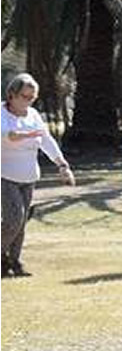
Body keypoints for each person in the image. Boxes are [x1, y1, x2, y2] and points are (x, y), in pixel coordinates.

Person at [1, 74, 76, 277]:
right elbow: (8, 135)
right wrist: (30, 134)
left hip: (29, 176)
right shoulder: (2, 113)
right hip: (5, 175)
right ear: (11, 95)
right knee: (14, 219)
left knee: (22, 221)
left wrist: (62, 164)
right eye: (25, 97)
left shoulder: (33, 115)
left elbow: (47, 141)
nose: (28, 102)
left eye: (32, 98)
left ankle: (14, 262)